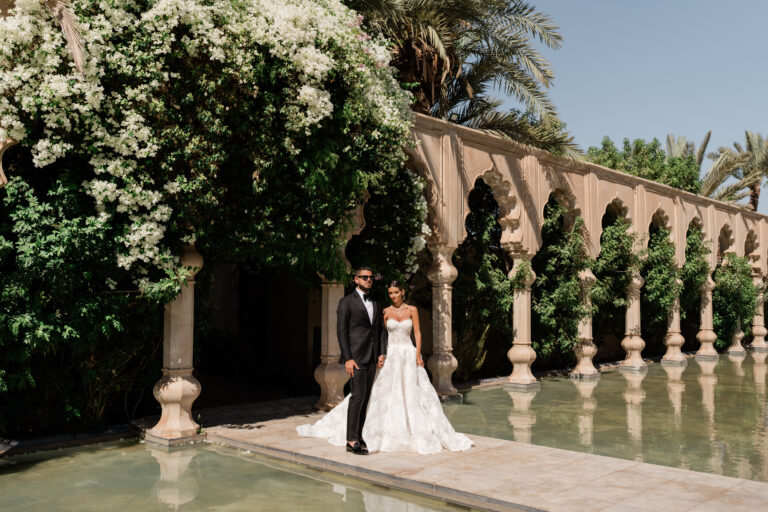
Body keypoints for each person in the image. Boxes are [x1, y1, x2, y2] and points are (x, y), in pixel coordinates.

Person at [297, 278, 474, 455]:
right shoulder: (385, 312)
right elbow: (379, 335)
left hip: (408, 354)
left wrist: (418, 354)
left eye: (396, 292)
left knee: (412, 391)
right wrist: (380, 354)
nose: (393, 296)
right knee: (381, 391)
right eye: (390, 293)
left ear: (402, 292)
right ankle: (360, 431)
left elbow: (418, 333)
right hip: (390, 355)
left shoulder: (412, 310)